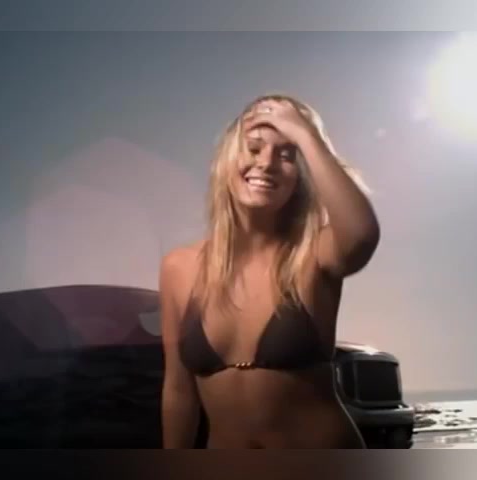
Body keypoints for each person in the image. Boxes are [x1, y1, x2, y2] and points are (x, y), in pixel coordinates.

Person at [159, 94, 380, 449]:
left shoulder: (314, 252)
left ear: (301, 174)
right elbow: (178, 392)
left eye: (287, 154)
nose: (267, 163)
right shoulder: (179, 267)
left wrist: (307, 135)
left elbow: (361, 235)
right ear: (228, 159)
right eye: (254, 148)